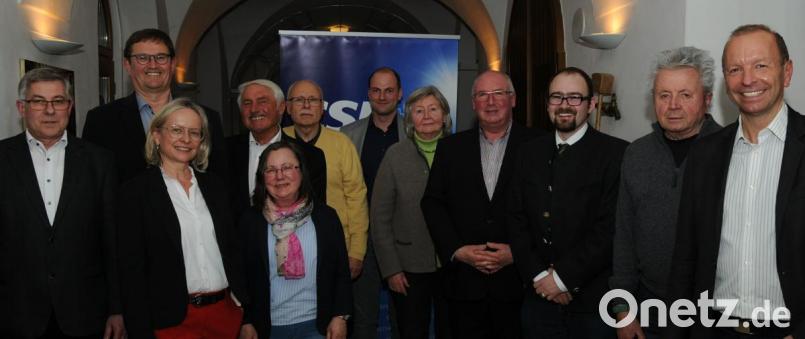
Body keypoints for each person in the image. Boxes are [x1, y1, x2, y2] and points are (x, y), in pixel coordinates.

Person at [668, 24, 801, 339]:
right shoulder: (706, 153)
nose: (748, 79)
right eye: (735, 69)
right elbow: (685, 255)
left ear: (787, 72)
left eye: (760, 66)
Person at [0, 68, 124, 338]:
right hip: (15, 313)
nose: (49, 110)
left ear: (70, 106)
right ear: (22, 107)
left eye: (58, 101)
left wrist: (117, 308)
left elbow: (111, 239)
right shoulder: (2, 159)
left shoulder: (99, 161)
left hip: (85, 312)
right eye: (38, 101)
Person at [608, 46, 721, 339]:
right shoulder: (636, 154)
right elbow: (624, 237)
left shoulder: (729, 152)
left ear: (707, 100)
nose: (673, 105)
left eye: (685, 95)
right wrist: (623, 309)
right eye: (664, 95)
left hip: (715, 317)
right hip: (649, 312)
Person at [507, 67, 628, 339]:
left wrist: (561, 280)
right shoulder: (528, 153)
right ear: (547, 104)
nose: (564, 106)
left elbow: (610, 229)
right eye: (556, 97)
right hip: (537, 300)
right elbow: (515, 219)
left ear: (591, 104)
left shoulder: (616, 154)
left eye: (574, 98)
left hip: (592, 304)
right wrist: (540, 277)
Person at [421, 70, 541, 339]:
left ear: (513, 100)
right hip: (464, 286)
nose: (490, 102)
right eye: (482, 95)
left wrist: (520, 253)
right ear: (473, 103)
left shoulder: (540, 146)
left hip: (520, 284)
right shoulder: (450, 148)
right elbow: (432, 204)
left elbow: (551, 209)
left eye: (498, 93)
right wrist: (457, 250)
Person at [116, 98, 246, 339]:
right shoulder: (135, 192)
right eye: (176, 130)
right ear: (156, 135)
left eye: (194, 132)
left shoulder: (216, 187)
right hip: (170, 322)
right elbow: (131, 271)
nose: (186, 139)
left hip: (225, 317)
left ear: (201, 141)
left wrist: (245, 313)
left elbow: (234, 251)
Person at [239, 141, 352, 339]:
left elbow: (341, 272)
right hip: (266, 328)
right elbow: (242, 278)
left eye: (287, 168)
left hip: (318, 327)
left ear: (301, 172)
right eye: (271, 170)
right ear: (262, 177)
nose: (280, 176)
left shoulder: (325, 217)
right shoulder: (250, 221)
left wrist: (340, 316)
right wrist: (246, 320)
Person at [83, 28, 228, 182]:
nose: (153, 65)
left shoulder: (207, 118)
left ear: (172, 64)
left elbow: (219, 180)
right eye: (142, 58)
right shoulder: (101, 120)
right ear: (127, 65)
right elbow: (93, 183)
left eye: (161, 57)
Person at [371, 85, 453, 339]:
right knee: (411, 331)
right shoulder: (395, 156)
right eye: (419, 110)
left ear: (444, 115)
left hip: (454, 264)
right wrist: (391, 269)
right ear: (410, 118)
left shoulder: (460, 150)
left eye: (433, 109)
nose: (427, 116)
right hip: (408, 268)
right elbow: (379, 218)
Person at [341, 66, 407, 338]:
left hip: (402, 239)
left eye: (389, 90)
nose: (382, 96)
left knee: (403, 317)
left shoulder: (414, 133)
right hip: (363, 238)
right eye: (376, 90)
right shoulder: (347, 134)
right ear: (368, 94)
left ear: (399, 94)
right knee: (363, 319)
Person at [282, 80, 370, 282]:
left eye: (312, 100)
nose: (306, 105)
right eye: (299, 100)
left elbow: (357, 198)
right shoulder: (278, 141)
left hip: (334, 245)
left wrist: (357, 251)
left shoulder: (342, 144)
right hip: (285, 245)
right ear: (287, 107)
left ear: (322, 108)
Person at [227, 79, 327, 218]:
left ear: (281, 107)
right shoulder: (222, 152)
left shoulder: (310, 156)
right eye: (247, 103)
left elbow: (315, 212)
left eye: (262, 101)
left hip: (292, 237)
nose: (254, 109)